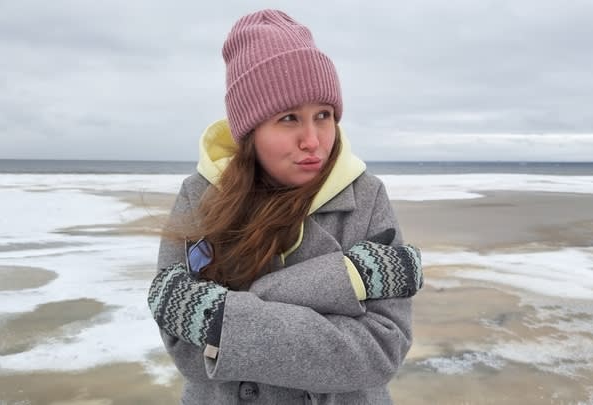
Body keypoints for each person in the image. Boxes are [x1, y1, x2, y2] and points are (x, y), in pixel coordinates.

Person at [147, 9, 423, 405]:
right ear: (250, 129)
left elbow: (382, 349)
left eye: (323, 116)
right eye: (289, 118)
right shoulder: (201, 196)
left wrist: (229, 318)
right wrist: (345, 279)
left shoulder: (365, 196)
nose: (312, 140)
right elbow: (184, 348)